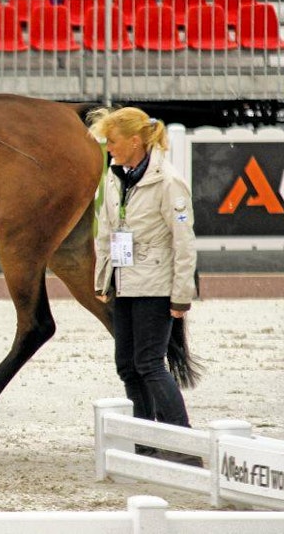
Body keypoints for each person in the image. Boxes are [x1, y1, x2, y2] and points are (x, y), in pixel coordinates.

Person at [89, 106, 201, 466]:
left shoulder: (168, 181)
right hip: (124, 282)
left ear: (135, 141)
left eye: (113, 141)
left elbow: (184, 241)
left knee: (150, 363)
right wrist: (103, 279)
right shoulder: (114, 176)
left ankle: (183, 443)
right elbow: (106, 231)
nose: (109, 148)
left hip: (155, 284)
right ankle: (145, 441)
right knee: (127, 365)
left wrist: (181, 296)